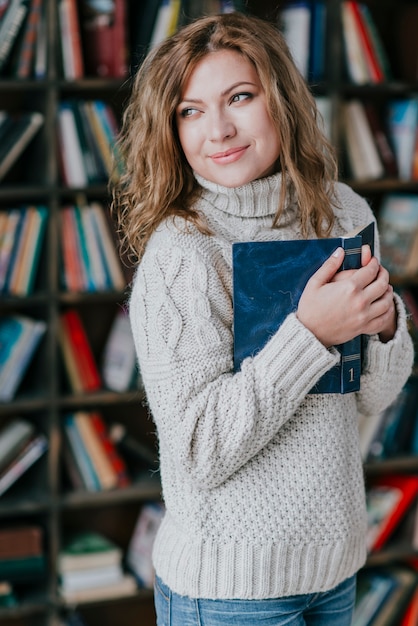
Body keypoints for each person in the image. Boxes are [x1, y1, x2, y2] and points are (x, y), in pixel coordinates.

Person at [111, 11, 414, 626]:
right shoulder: (182, 252)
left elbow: (375, 394)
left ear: (280, 99)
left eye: (239, 97)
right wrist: (308, 336)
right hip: (230, 589)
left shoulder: (342, 211)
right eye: (190, 111)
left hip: (333, 571)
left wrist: (384, 326)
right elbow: (196, 450)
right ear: (170, 129)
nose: (218, 129)